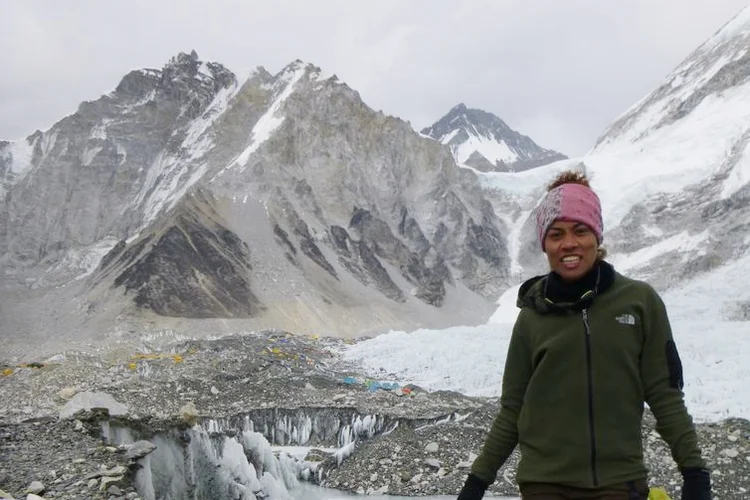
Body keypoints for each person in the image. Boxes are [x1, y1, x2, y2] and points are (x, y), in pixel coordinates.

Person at [457, 170, 711, 500]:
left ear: (597, 235)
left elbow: (665, 395)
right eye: (556, 234)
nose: (569, 244)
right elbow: (512, 410)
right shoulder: (532, 316)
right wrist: (476, 483)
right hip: (544, 487)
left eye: (580, 230)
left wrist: (694, 472)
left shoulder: (639, 303)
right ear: (545, 244)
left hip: (620, 484)